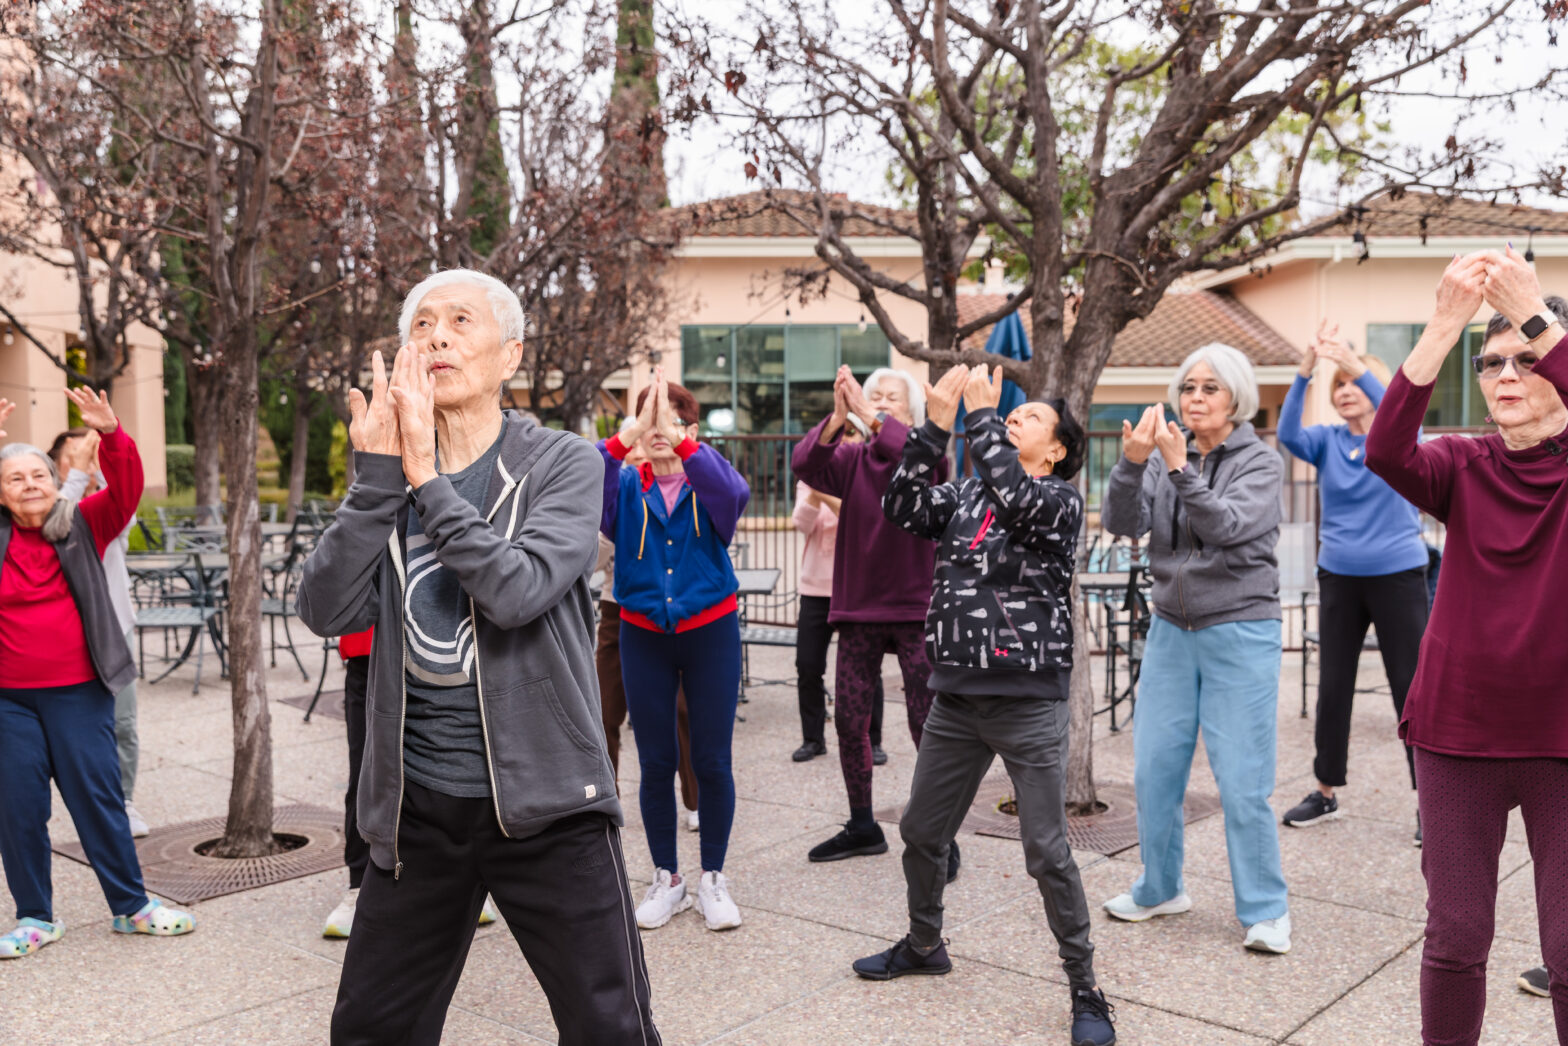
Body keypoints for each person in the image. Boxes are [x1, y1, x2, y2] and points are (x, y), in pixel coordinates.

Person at [296, 268, 660, 1045]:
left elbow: (517, 591)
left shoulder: (560, 462)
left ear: (511, 356)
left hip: (550, 807)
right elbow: (325, 611)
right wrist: (375, 484)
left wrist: (426, 476)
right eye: (421, 325)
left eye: (461, 321)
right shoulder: (385, 476)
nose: (436, 336)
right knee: (370, 1028)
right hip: (418, 810)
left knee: (611, 1029)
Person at [857, 364, 1117, 1046]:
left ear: (1056, 450)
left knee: (1046, 850)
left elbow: (1015, 495)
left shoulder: (1058, 502)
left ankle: (1086, 990)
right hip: (956, 699)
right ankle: (923, 944)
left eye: (1028, 418)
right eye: (1011, 414)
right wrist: (933, 426)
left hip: (1027, 702)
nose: (1011, 419)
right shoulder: (969, 491)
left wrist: (975, 418)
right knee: (920, 831)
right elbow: (902, 505)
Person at [1365, 250, 1568, 1044]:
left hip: (1561, 739)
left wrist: (1535, 313)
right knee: (1455, 941)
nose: (1506, 372)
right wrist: (1446, 323)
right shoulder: (1462, 463)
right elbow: (1386, 449)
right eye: (1491, 362)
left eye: (1528, 356)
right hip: (1457, 735)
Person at [1100, 342, 1292, 955]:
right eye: (1188, 387)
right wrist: (1133, 463)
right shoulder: (1163, 456)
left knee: (1241, 781)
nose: (1196, 398)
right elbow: (1122, 522)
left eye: (1210, 388)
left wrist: (1180, 469)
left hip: (1240, 629)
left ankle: (1265, 911)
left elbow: (1229, 528)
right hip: (1170, 629)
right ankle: (1160, 887)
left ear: (1236, 397)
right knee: (1155, 771)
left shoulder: (1260, 463)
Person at [0, 388, 196, 959]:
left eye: (38, 473)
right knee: (18, 806)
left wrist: (110, 433)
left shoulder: (84, 523)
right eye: (15, 479)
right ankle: (35, 916)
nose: (31, 484)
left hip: (79, 694)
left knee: (98, 800)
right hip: (9, 701)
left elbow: (127, 485)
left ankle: (131, 907)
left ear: (55, 477)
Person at [599, 370, 749, 932]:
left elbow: (734, 497)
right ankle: (668, 877)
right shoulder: (624, 485)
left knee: (711, 759)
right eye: (651, 421)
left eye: (674, 420)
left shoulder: (709, 482)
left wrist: (681, 441)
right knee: (656, 761)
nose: (660, 430)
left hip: (710, 630)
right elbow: (583, 476)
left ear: (691, 428)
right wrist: (627, 435)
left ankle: (713, 876)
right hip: (642, 633)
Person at [1276, 324, 1429, 844]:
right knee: (1333, 686)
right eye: (1336, 384)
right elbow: (1287, 434)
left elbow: (1398, 406)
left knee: (1412, 689)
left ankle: (1429, 802)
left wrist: (1356, 363)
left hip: (1399, 575)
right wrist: (1306, 369)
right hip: (1339, 575)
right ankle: (1325, 791)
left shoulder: (1399, 440)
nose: (1343, 391)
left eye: (1352, 383)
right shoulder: (1325, 441)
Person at [793, 365, 949, 873]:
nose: (879, 401)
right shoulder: (851, 458)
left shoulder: (926, 457)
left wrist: (866, 413)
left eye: (891, 398)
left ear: (911, 412)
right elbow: (804, 464)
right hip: (857, 608)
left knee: (927, 723)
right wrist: (838, 418)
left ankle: (938, 834)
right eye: (873, 394)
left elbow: (916, 454)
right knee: (850, 722)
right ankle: (863, 825)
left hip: (913, 609)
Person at [595, 433, 701, 830]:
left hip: (666, 615)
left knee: (681, 711)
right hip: (616, 609)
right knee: (605, 710)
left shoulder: (681, 489)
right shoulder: (618, 490)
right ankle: (606, 801)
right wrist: (609, 531)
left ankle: (694, 802)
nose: (640, 453)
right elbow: (592, 558)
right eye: (633, 446)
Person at [50, 427, 149, 838]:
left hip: (113, 629)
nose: (83, 462)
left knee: (123, 723)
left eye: (88, 455)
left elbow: (123, 495)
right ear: (55, 466)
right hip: (63, 637)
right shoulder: (41, 513)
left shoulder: (107, 513)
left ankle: (123, 800)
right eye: (73, 456)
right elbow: (58, 524)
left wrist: (105, 446)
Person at [790, 423, 886, 764]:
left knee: (866, 668)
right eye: (838, 435)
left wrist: (823, 491)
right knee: (807, 665)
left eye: (851, 434)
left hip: (857, 590)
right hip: (815, 587)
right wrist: (815, 490)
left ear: (863, 440)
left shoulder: (872, 477)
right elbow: (801, 524)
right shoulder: (810, 478)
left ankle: (873, 740)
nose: (845, 441)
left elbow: (862, 517)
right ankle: (812, 738)